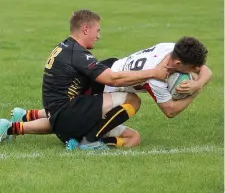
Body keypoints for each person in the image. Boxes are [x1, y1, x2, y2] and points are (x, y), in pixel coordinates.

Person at [0, 9, 168, 150]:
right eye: (98, 31)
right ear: (86, 29)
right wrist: (153, 72)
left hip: (60, 118)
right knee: (132, 100)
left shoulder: (63, 46)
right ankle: (90, 141)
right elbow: (113, 79)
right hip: (67, 117)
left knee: (133, 138)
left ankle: (81, 141)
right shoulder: (78, 54)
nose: (98, 36)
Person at [5, 37, 212, 149]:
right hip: (106, 83)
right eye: (192, 68)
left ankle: (24, 117)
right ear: (177, 63)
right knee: (70, 117)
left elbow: (205, 69)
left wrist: (197, 83)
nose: (196, 71)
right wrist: (195, 92)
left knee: (68, 115)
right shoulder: (156, 78)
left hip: (111, 69)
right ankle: (90, 140)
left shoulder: (171, 48)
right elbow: (170, 111)